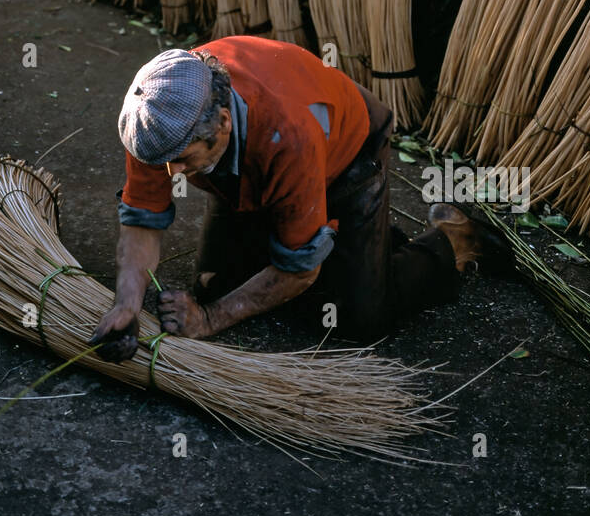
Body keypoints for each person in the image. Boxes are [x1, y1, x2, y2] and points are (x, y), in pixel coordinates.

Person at [90, 36, 512, 362]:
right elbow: (142, 217)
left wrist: (210, 320)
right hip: (254, 164)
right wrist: (126, 304)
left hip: (348, 151)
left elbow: (299, 273)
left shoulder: (288, 137)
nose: (170, 176)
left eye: (182, 161)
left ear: (221, 122)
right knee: (215, 284)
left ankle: (449, 239)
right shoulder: (157, 121)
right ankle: (351, 239)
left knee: (360, 315)